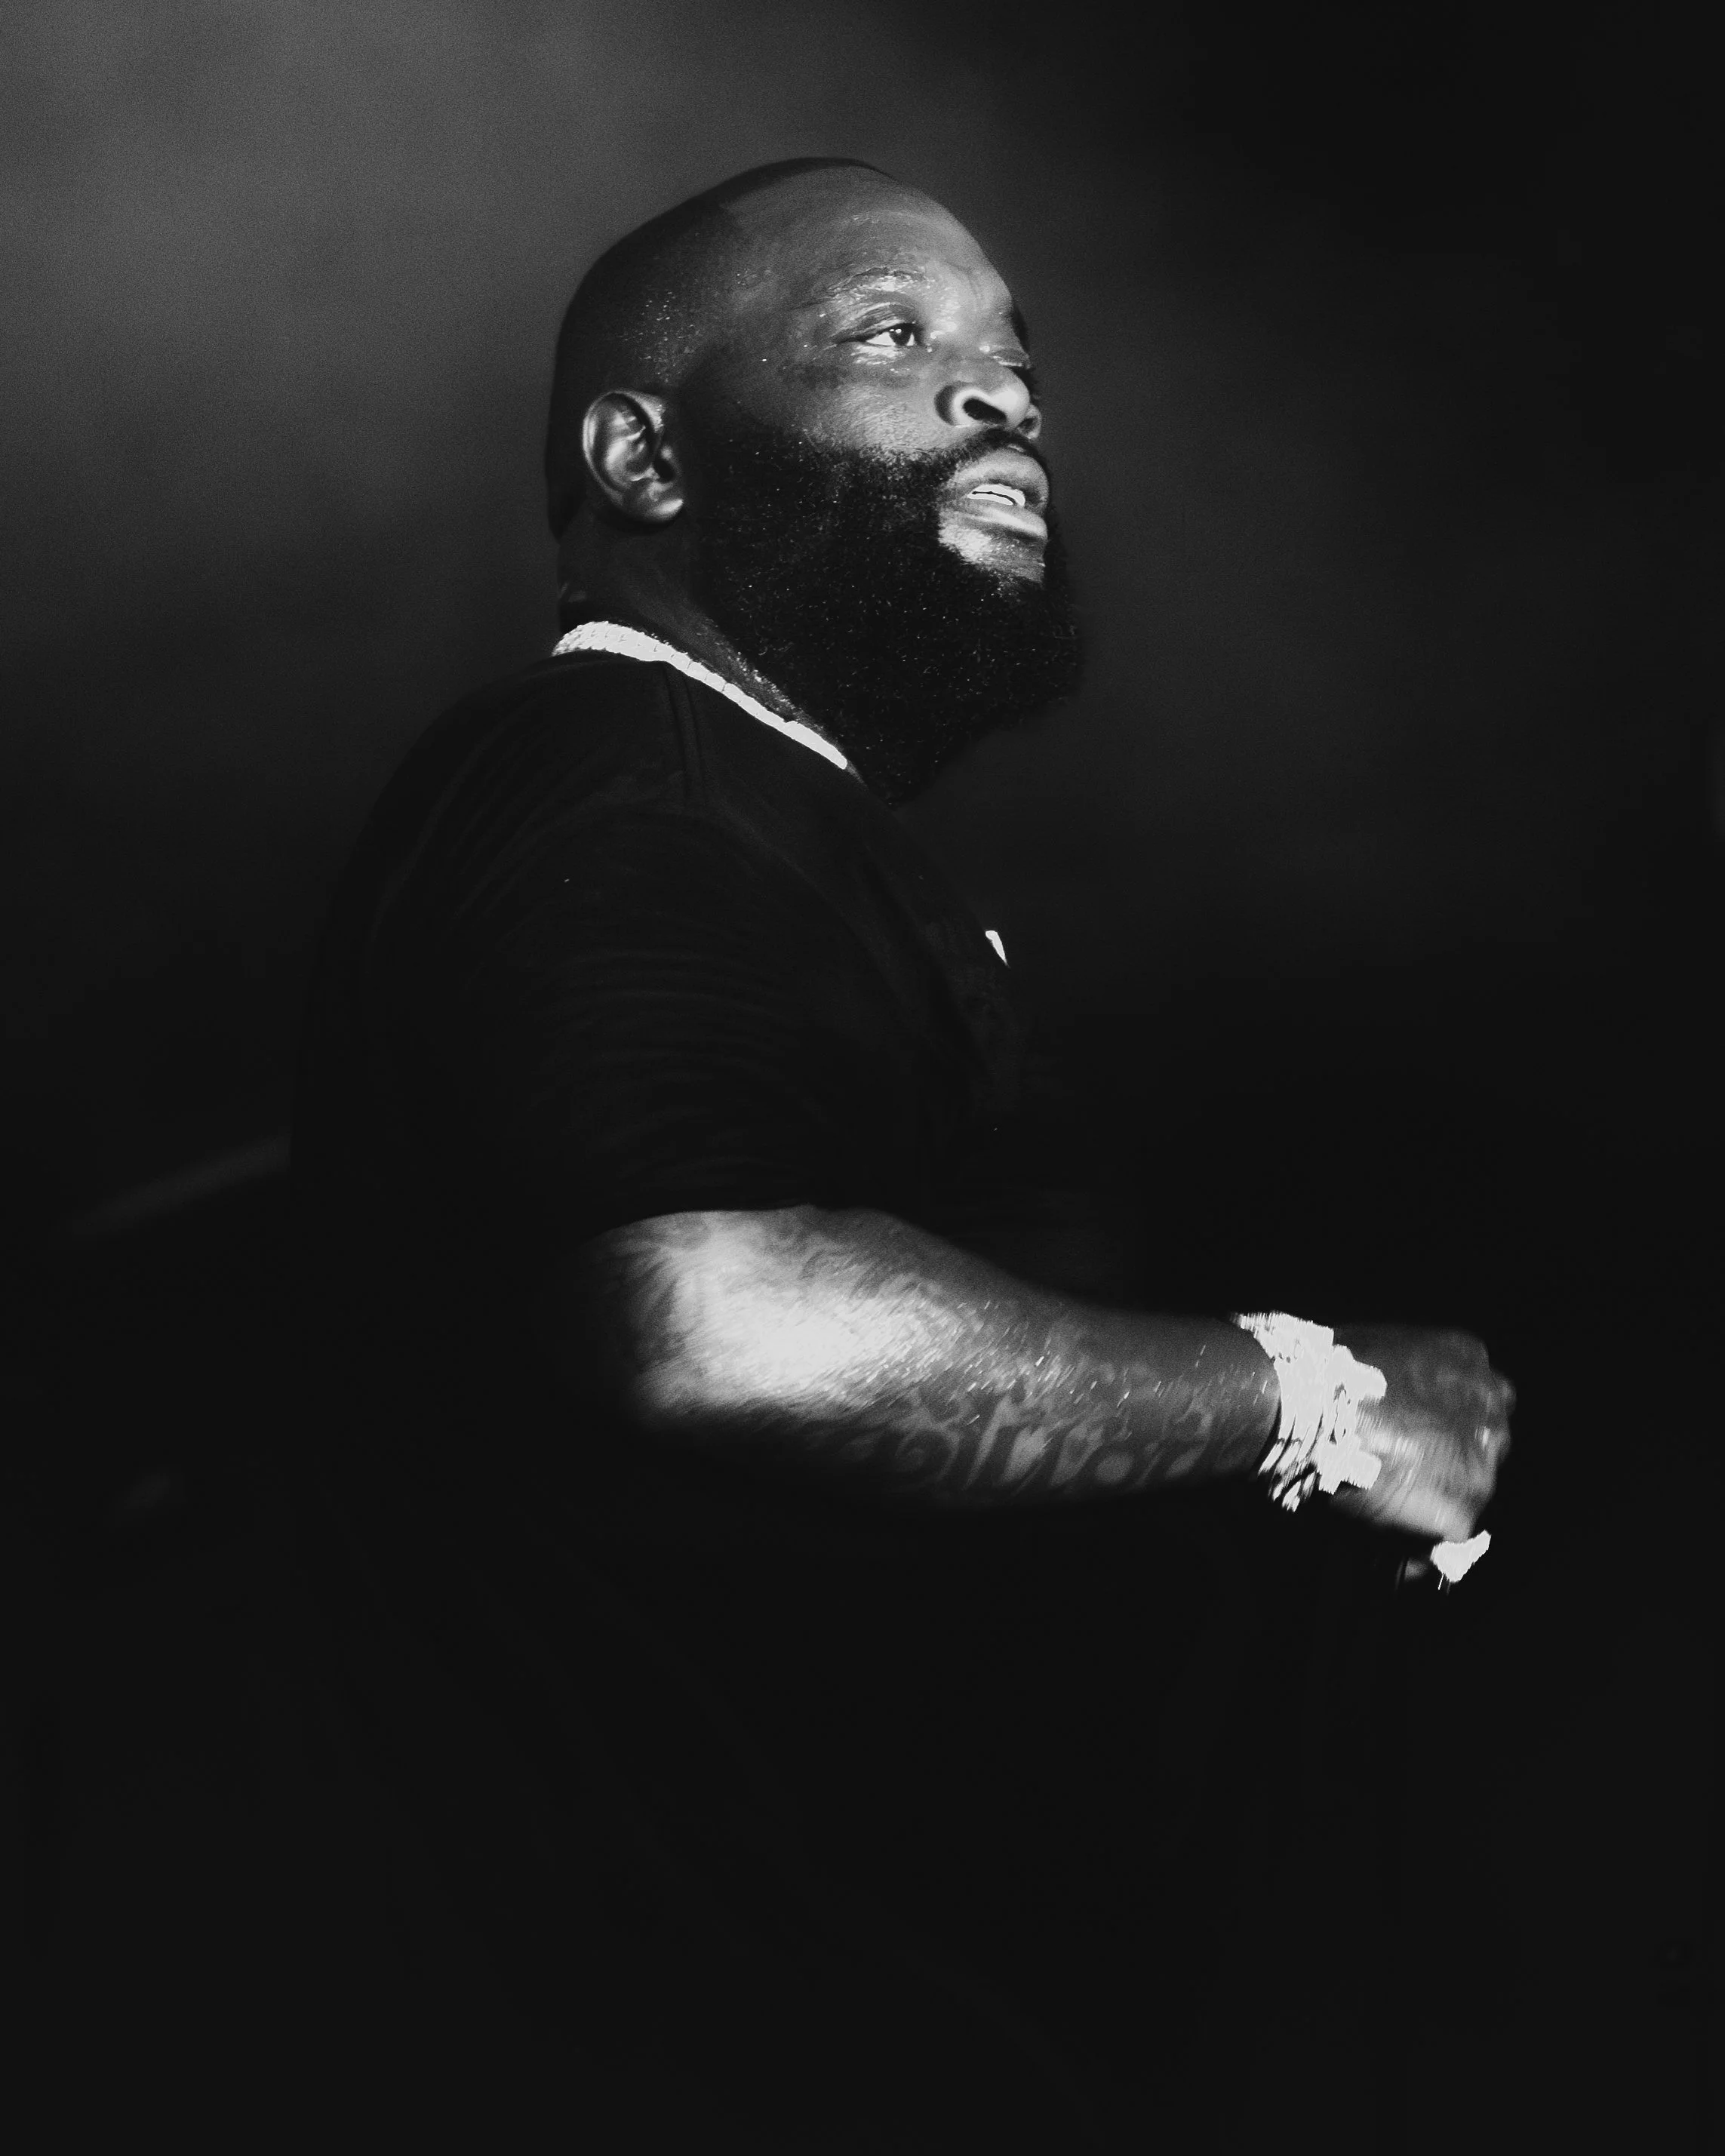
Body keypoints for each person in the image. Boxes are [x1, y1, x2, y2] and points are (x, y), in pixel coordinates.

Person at [288, 157, 1514, 2148]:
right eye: (889, 337)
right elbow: (717, 1318)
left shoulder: (754, 804)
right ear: (643, 456)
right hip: (718, 2052)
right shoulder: (615, 769)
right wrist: (1316, 1402)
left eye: (1014, 359)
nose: (999, 394)